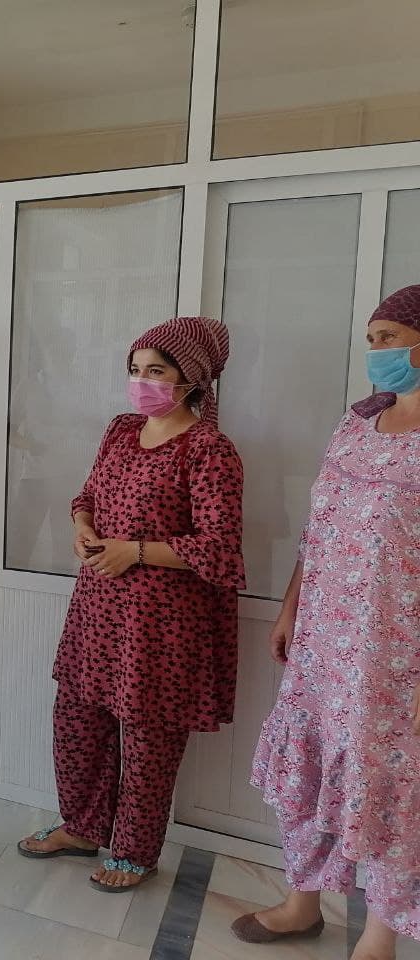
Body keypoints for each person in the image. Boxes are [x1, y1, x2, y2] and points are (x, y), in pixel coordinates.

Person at [19, 316, 245, 892]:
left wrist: (137, 551)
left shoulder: (208, 449)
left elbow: (220, 547)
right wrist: (82, 525)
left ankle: (135, 853)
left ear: (191, 379)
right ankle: (81, 826)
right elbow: (88, 495)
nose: (143, 382)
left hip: (161, 625)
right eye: (136, 370)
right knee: (77, 719)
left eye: (157, 371)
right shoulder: (121, 430)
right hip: (97, 610)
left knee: (148, 739)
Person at [234, 284, 420, 958]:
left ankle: (379, 937)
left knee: (392, 790)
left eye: (388, 338)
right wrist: (290, 607)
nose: (376, 352)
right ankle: (301, 902)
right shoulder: (356, 423)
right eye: (371, 340)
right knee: (308, 768)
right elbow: (318, 531)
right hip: (323, 642)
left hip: (394, 658)